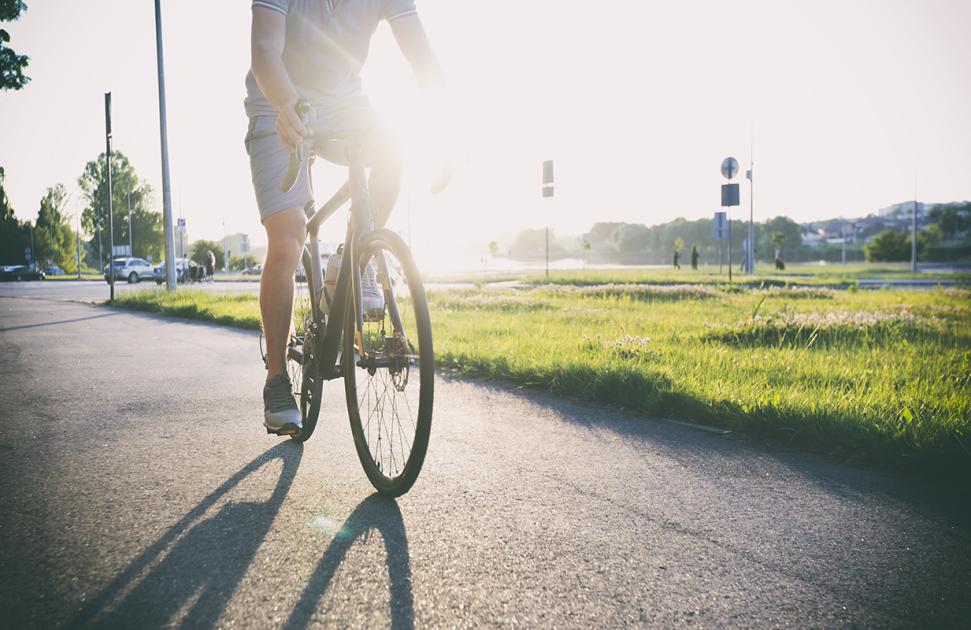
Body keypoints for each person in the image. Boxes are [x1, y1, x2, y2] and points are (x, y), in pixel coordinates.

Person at [246, 0, 443, 435]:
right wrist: (289, 105)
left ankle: (352, 259)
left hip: (346, 103)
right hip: (276, 98)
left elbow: (421, 56)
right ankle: (277, 378)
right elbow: (264, 49)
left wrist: (446, 124)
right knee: (289, 235)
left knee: (394, 150)